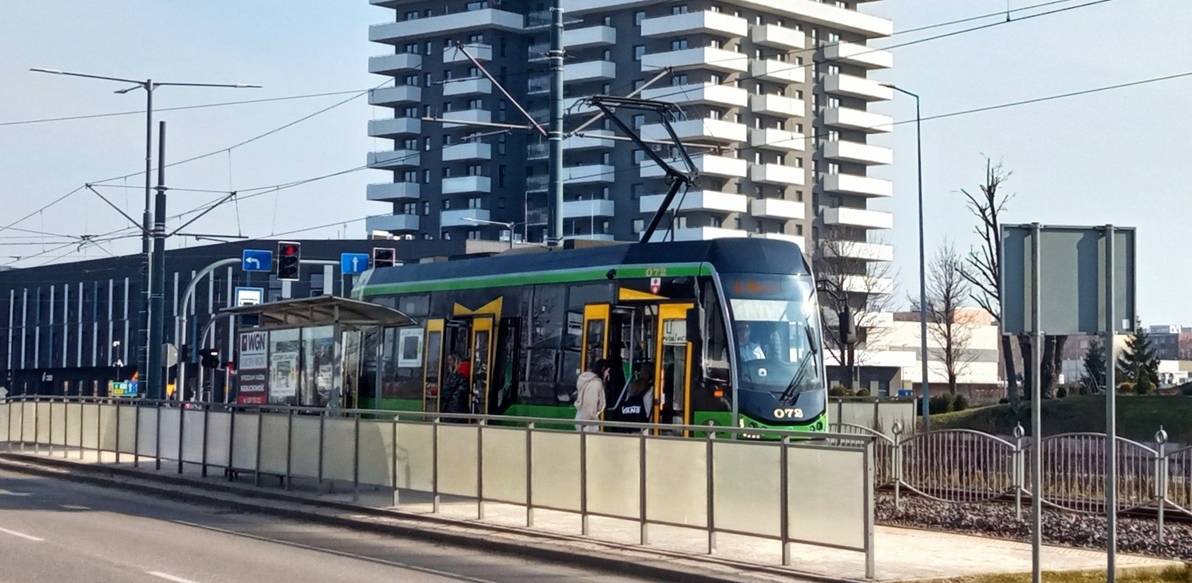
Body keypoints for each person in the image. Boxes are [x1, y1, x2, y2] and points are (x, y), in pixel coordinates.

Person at [575, 358, 610, 432]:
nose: (607, 374)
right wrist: (590, 420)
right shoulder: (596, 383)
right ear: (603, 369)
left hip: (582, 419)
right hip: (588, 423)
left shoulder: (588, 380)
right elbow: (590, 405)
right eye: (607, 371)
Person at [441, 354, 470, 418]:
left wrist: (453, 373)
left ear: (456, 362)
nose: (449, 363)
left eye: (450, 360)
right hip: (452, 410)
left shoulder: (460, 377)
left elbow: (447, 392)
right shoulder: (450, 375)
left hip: (455, 411)